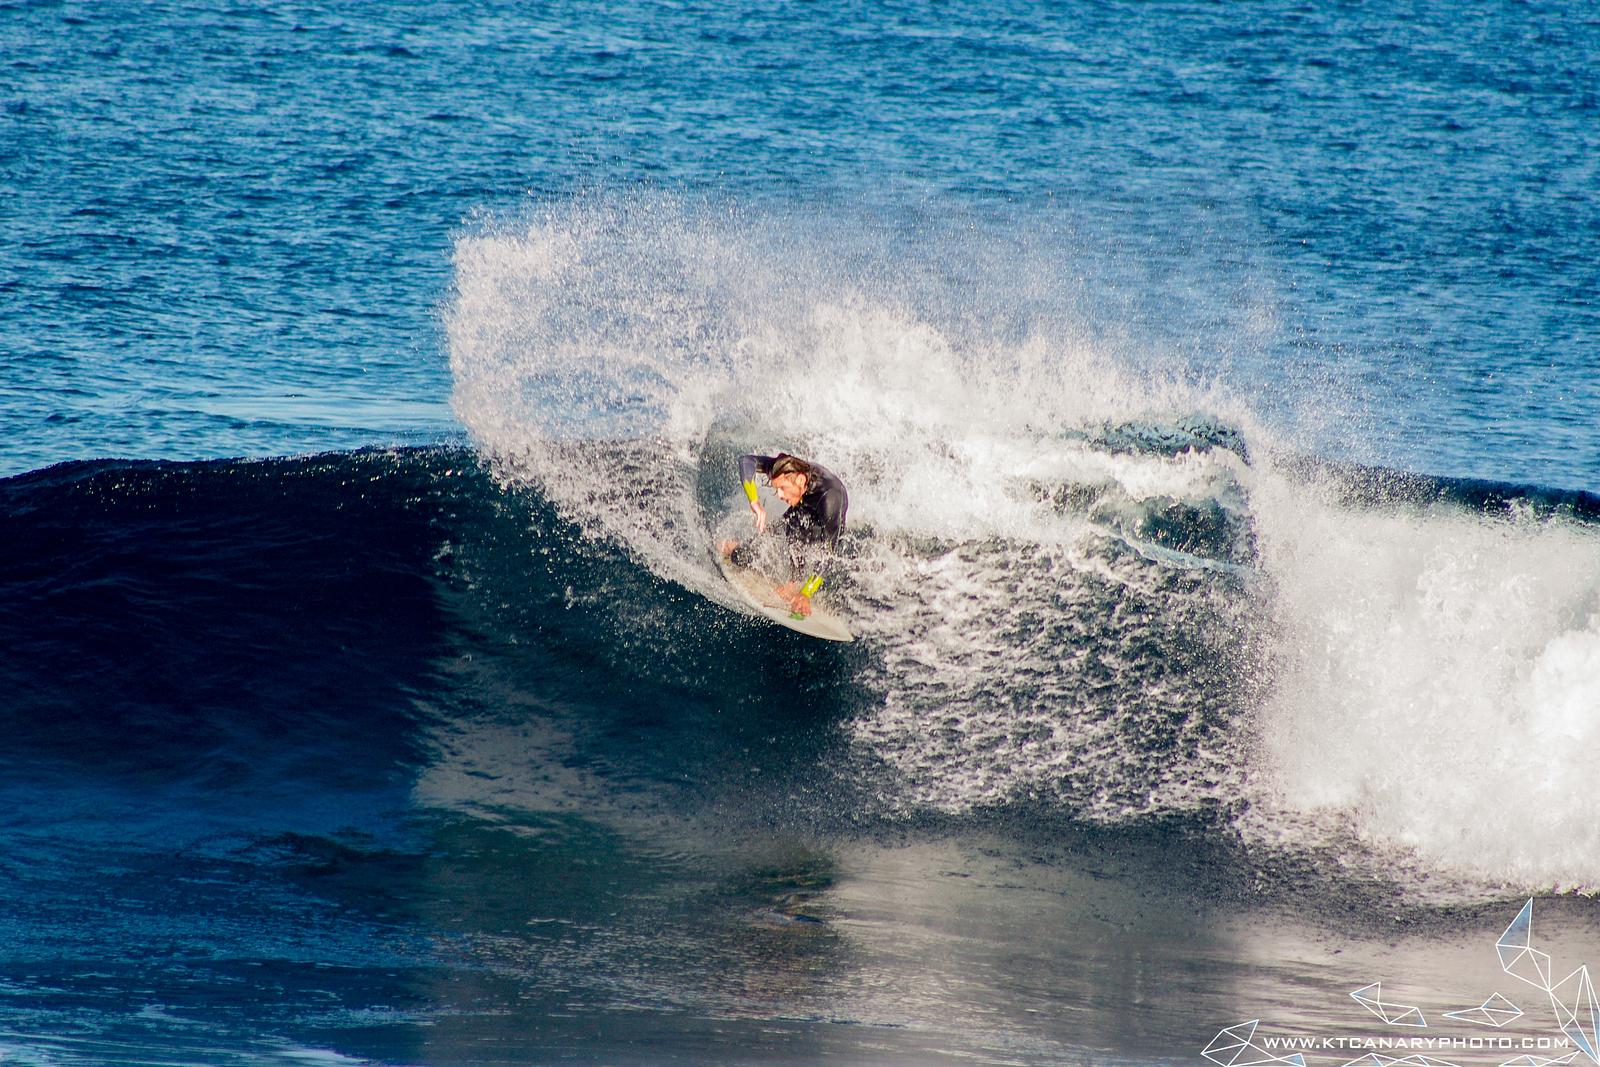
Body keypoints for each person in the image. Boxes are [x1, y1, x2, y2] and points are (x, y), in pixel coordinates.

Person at [718, 453, 847, 618]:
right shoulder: (784, 469)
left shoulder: (830, 500)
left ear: (800, 480)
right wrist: (754, 503)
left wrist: (806, 593)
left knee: (809, 537)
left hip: (825, 512)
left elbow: (830, 553)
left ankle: (795, 583)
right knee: (749, 552)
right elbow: (746, 461)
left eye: (782, 488)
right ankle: (738, 549)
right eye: (776, 489)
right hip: (802, 500)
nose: (778, 495)